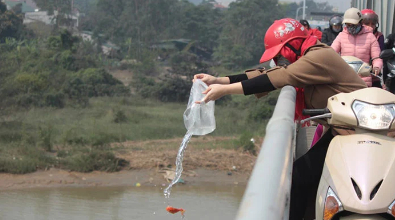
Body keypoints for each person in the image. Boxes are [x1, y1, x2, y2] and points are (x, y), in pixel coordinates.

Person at [193, 18, 367, 219]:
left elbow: (277, 78)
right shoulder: (308, 55)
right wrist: (218, 80)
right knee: (303, 175)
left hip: (358, 129)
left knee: (301, 175)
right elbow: (267, 74)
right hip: (342, 130)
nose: (278, 62)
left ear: (291, 46)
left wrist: (225, 90)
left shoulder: (319, 57)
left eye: (279, 55)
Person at [331, 7, 383, 87]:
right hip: (345, 79)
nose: (350, 27)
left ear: (360, 22)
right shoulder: (341, 36)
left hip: (364, 80)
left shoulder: (370, 36)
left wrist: (377, 67)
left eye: (353, 24)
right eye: (348, 24)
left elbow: (376, 57)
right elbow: (331, 52)